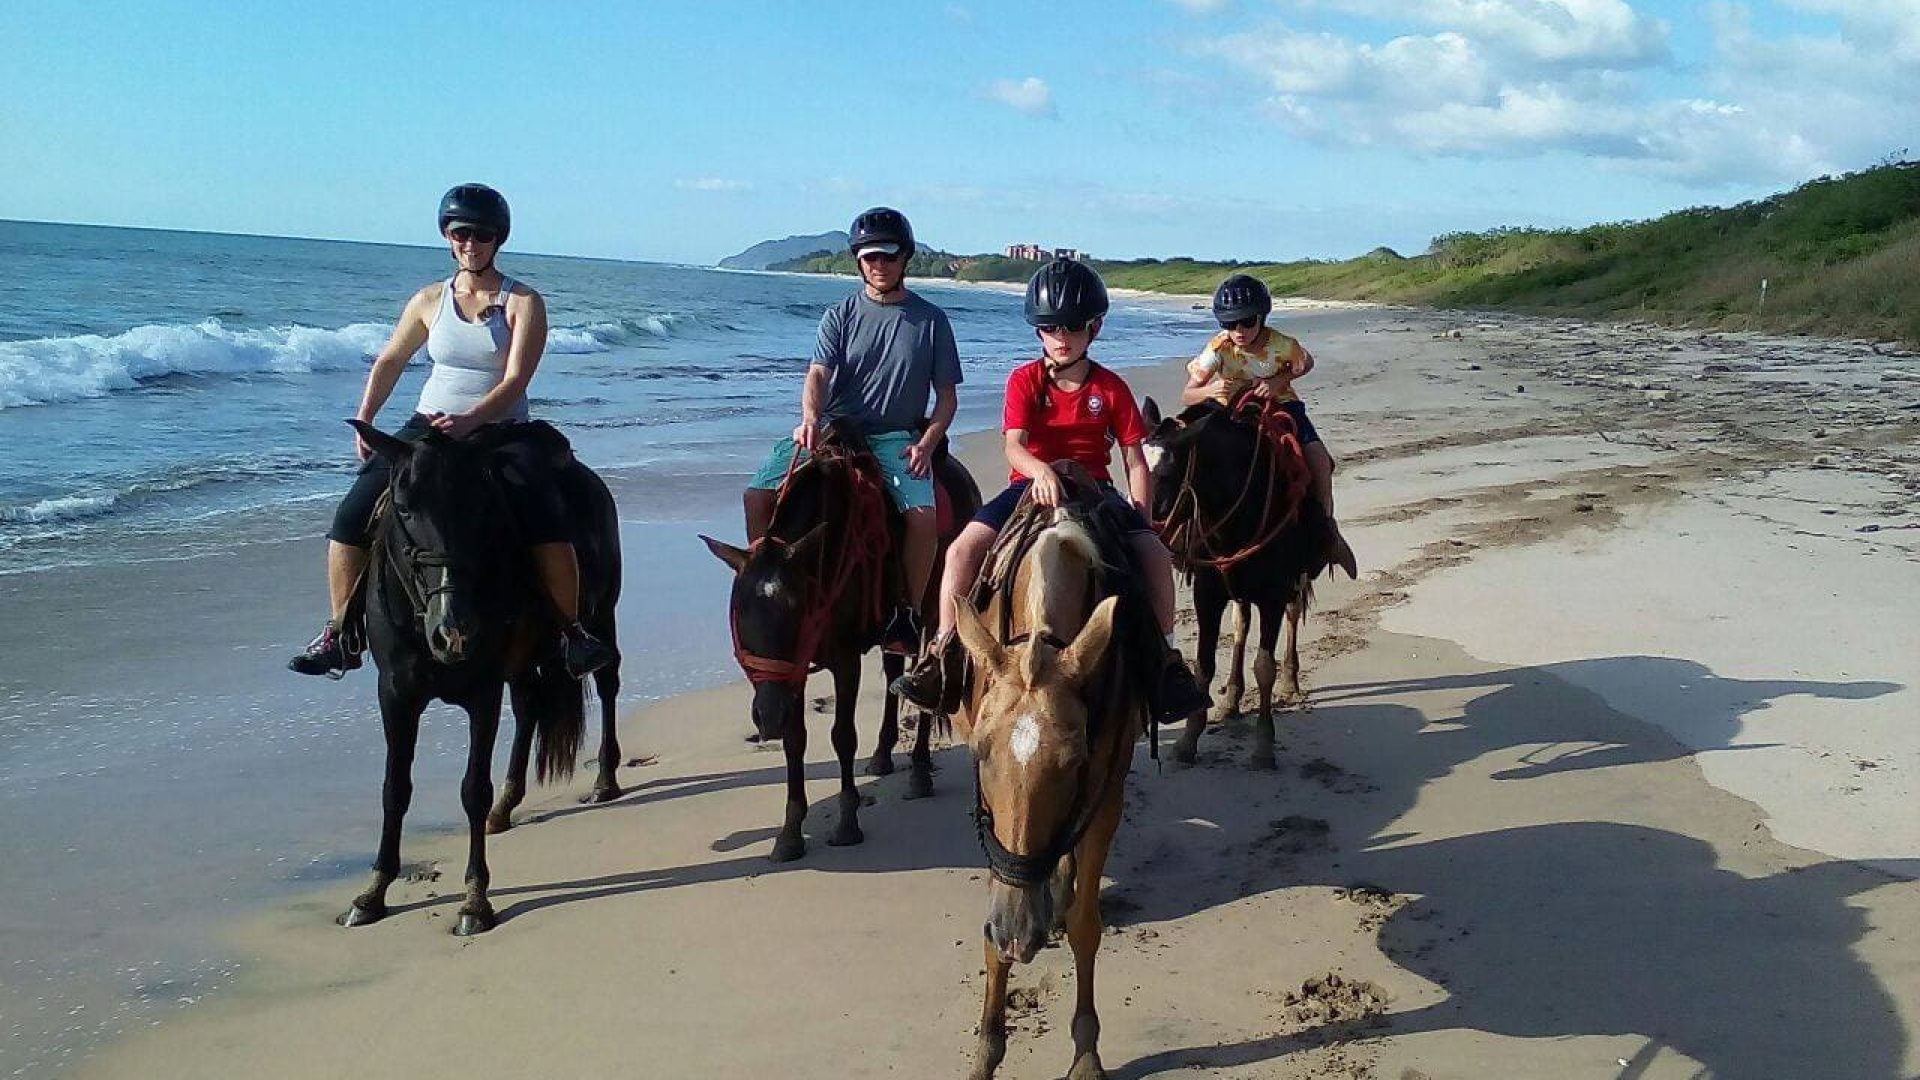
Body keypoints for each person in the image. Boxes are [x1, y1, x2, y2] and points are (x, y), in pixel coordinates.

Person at [289, 184, 616, 679]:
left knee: (545, 515)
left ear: (497, 239)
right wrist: (368, 417)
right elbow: (391, 360)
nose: (470, 242)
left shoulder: (523, 302)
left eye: (481, 234)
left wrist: (470, 420)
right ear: (447, 235)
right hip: (429, 427)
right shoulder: (428, 299)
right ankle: (342, 633)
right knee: (350, 516)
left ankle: (572, 633)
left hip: (501, 432)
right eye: (460, 232)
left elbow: (515, 381)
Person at [890, 258, 1211, 723]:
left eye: (1073, 327)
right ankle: (941, 654)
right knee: (961, 552)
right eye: (1051, 327)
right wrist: (1040, 471)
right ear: (1038, 331)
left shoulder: (1111, 387)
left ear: (1094, 328)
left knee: (1156, 558)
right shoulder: (1024, 380)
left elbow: (1134, 460)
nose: (1062, 337)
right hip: (1028, 489)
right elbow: (1013, 446)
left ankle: (1164, 660)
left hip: (1092, 490)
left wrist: (1142, 519)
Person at [743, 207, 961, 653]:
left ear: (906, 258)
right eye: (869, 257)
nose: (878, 265)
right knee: (757, 494)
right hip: (834, 430)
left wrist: (926, 443)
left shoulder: (931, 321)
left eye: (887, 256)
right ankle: (766, 579)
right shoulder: (838, 315)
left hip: (895, 437)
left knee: (923, 519)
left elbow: (946, 399)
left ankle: (905, 612)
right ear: (857, 260)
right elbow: (818, 374)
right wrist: (809, 418)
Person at [1182, 274, 1358, 578]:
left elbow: (1306, 362)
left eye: (1247, 322)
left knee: (1318, 459)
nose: (1238, 331)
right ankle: (1185, 534)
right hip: (1233, 411)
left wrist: (1279, 381)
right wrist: (1210, 391)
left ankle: (1328, 528)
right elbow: (1187, 393)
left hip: (1282, 407)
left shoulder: (1280, 344)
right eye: (1229, 323)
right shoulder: (1218, 349)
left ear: (1262, 317)